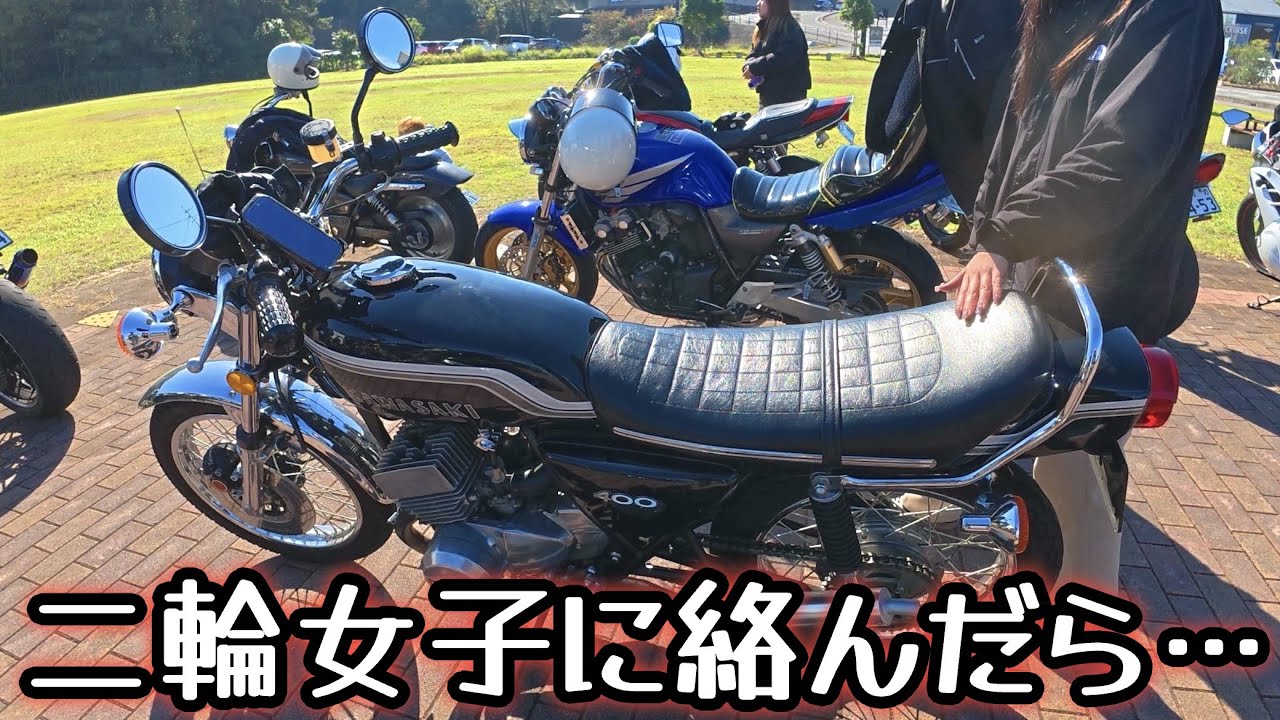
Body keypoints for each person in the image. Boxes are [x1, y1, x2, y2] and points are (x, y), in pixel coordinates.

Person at [938, 0, 1222, 350]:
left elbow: (1121, 155)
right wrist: (984, 238)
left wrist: (1007, 235)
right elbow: (1011, 145)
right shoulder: (1059, 9)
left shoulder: (1173, 9)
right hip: (1026, 276)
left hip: (1096, 296)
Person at [742, 0, 812, 109]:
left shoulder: (789, 28)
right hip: (768, 96)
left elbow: (783, 57)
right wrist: (748, 66)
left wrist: (755, 67)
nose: (758, 3)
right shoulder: (764, 28)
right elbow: (754, 52)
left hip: (787, 97)